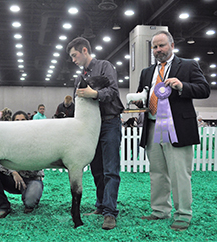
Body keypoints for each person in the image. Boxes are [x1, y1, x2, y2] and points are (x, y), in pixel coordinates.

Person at [134, 30, 210, 231]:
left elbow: (204, 89)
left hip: (178, 129)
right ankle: (159, 210)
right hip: (152, 128)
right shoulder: (146, 72)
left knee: (179, 174)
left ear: (172, 45)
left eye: (162, 45)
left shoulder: (188, 65)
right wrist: (137, 99)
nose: (158, 50)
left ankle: (183, 214)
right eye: (155, 47)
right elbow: (143, 95)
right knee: (157, 173)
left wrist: (181, 85)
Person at [66, 37, 124, 230]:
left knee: (110, 169)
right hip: (91, 127)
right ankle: (101, 205)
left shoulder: (105, 66)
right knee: (96, 169)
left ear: (84, 50)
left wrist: (95, 94)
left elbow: (113, 91)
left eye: (74, 55)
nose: (73, 59)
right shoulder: (79, 76)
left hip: (109, 122)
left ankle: (110, 213)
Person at [0, 110, 44, 219]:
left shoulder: (35, 141)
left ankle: (28, 199)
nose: (20, 123)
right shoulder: (5, 140)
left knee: (30, 203)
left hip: (31, 179)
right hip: (11, 179)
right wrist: (13, 172)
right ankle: (4, 206)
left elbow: (39, 163)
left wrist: (19, 170)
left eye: (23, 120)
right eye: (17, 120)